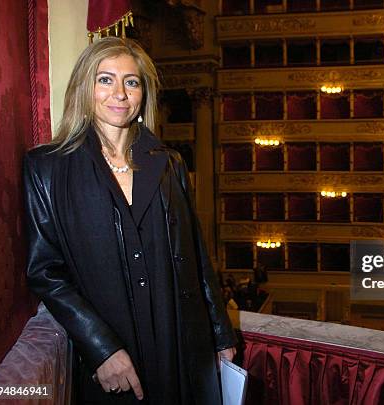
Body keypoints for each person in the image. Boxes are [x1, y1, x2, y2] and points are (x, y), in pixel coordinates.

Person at [22, 37, 237, 404]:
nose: (119, 93)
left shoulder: (170, 164)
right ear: (84, 89)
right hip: (112, 353)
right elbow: (46, 272)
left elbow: (199, 259)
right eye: (105, 79)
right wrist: (101, 348)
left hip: (181, 344)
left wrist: (221, 335)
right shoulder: (46, 167)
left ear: (143, 94)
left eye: (131, 82)